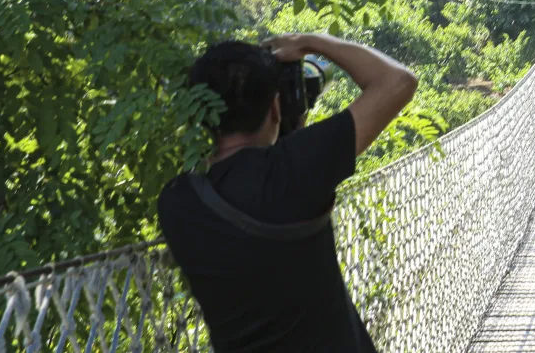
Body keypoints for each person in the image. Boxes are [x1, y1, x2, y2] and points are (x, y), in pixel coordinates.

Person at [158, 35, 418, 353]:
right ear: (276, 108)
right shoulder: (297, 169)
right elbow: (398, 81)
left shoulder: (176, 202)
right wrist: (308, 42)